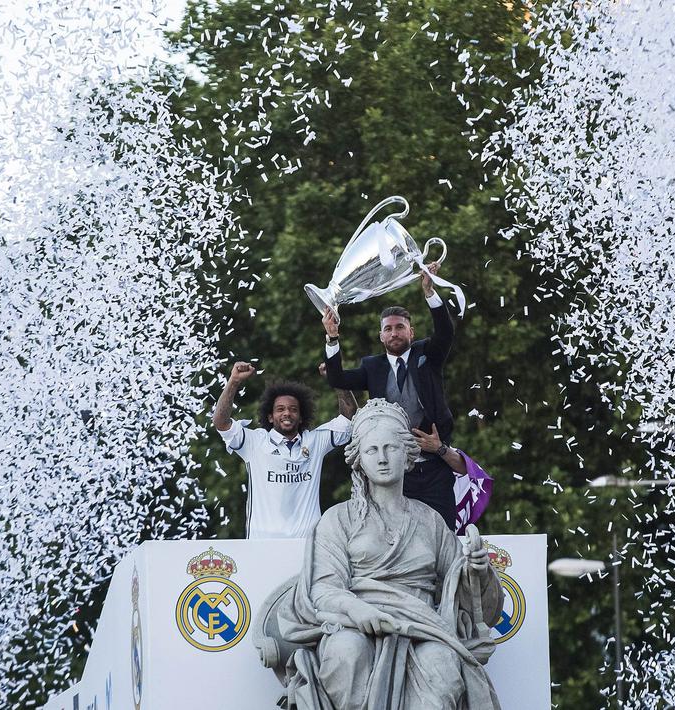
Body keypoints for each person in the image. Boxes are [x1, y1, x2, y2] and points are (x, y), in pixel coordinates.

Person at [261, 399, 502, 710]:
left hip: (421, 626)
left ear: (408, 455)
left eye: (391, 448)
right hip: (355, 623)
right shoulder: (338, 519)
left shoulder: (431, 521)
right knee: (346, 652)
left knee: (442, 662)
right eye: (372, 450)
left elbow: (464, 596)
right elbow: (322, 589)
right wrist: (358, 611)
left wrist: (478, 571)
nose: (383, 458)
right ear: (359, 459)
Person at [321, 263, 462, 528]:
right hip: (394, 473)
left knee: (443, 534)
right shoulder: (372, 367)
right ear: (381, 336)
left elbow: (446, 333)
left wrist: (429, 292)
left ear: (411, 332)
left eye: (400, 327)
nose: (394, 333)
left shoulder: (427, 355)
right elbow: (337, 378)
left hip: (434, 466)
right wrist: (332, 338)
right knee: (394, 534)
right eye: (388, 329)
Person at [213, 361, 357, 539]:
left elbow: (349, 417)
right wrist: (234, 381)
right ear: (270, 417)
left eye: (293, 409)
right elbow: (221, 422)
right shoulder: (255, 442)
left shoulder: (315, 441)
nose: (287, 413)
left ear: (301, 416)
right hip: (263, 545)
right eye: (280, 409)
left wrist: (337, 378)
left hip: (307, 545)